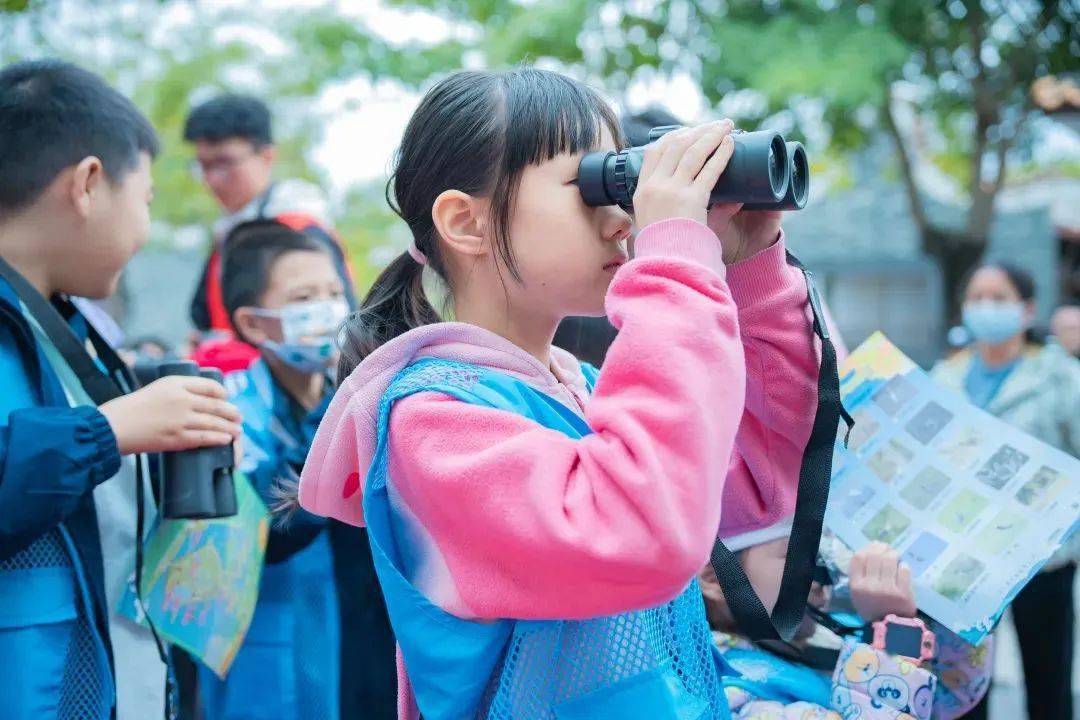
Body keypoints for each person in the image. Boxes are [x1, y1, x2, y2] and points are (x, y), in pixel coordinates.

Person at [295, 67, 825, 719]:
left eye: (621, 180)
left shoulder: (589, 392)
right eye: (592, 187)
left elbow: (762, 485)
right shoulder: (431, 427)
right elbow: (643, 533)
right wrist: (675, 266)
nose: (620, 220)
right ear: (467, 222)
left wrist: (748, 268)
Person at [0, 60, 242, 719]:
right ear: (87, 184)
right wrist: (107, 431)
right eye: (147, 203)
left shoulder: (62, 324)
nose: (146, 228)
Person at [197, 219, 395, 719]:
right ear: (253, 323)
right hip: (273, 645)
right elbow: (267, 524)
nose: (328, 309)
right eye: (305, 297)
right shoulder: (228, 411)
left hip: (366, 637)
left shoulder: (368, 394)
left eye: (334, 291)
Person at [932, 261, 1080, 720]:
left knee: (1048, 679)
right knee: (964, 690)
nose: (984, 308)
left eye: (998, 298)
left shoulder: (1059, 377)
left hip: (1042, 560)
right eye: (976, 298)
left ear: (1027, 309)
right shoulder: (944, 377)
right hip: (965, 563)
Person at [698, 537, 993, 719]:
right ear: (714, 577)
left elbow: (950, 696)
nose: (821, 575)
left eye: (818, 553)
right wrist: (896, 630)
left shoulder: (828, 638)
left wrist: (937, 604)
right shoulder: (733, 696)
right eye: (793, 554)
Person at [182, 93, 355, 370]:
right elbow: (201, 314)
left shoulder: (300, 229)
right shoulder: (227, 232)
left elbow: (339, 325)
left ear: (266, 156)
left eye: (224, 163)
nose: (212, 179)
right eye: (203, 166)